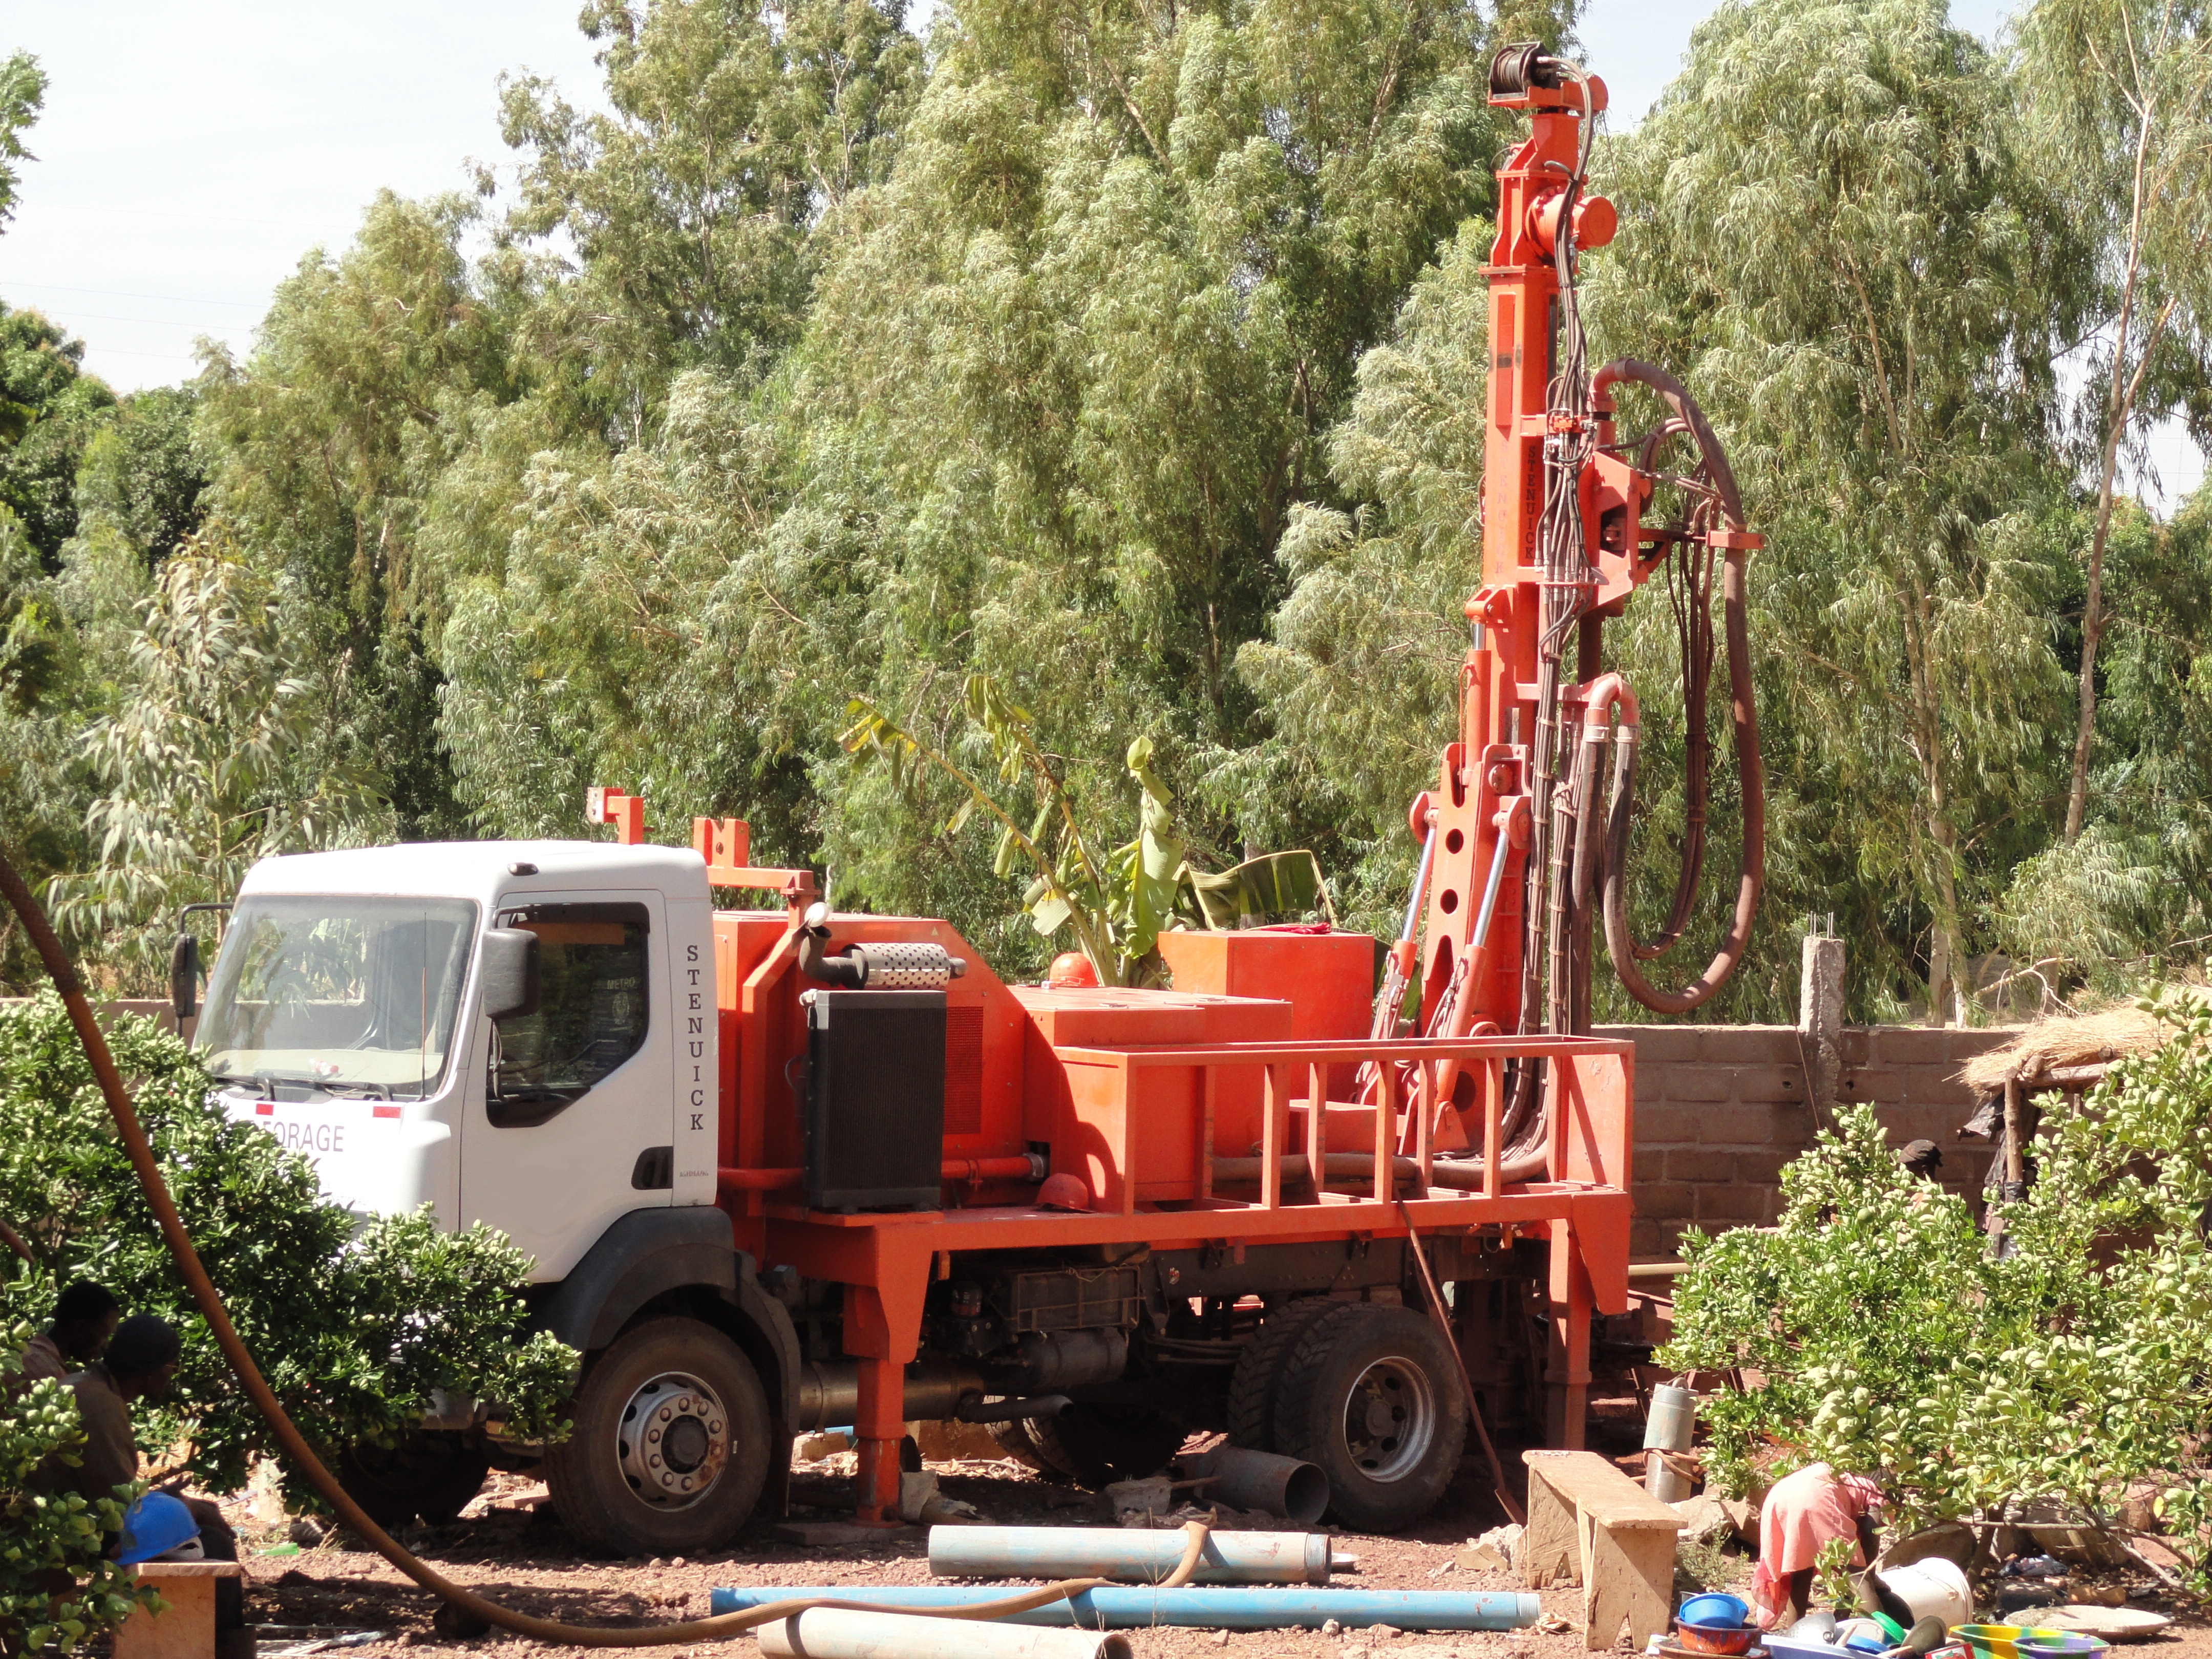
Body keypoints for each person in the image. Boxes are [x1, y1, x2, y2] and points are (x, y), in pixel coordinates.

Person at [62, 1314, 243, 1630]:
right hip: (69, 1532)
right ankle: (220, 1646)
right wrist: (191, 1508)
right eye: (173, 1367)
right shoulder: (101, 1404)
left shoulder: (86, 1385)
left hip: (64, 1517)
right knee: (213, 1544)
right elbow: (123, 1508)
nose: (172, 1375)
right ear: (154, 1371)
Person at [1747, 1460, 1883, 1628]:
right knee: (1859, 1580)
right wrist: (1870, 1581)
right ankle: (1884, 1644)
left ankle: (1795, 1638)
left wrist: (1841, 1615)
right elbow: (1870, 1539)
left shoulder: (1845, 1480)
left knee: (1800, 1572)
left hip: (1779, 1497)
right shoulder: (1873, 1491)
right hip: (1817, 1495)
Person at [19, 1280, 120, 1384]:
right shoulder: (51, 1377)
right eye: (104, 1335)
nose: (105, 1346)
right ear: (81, 1328)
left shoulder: (21, 1356)